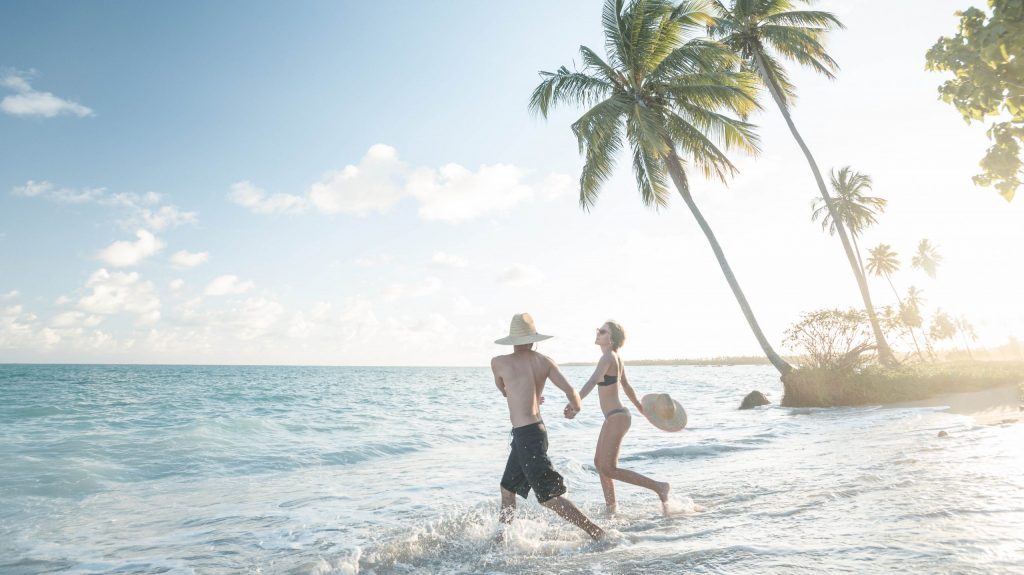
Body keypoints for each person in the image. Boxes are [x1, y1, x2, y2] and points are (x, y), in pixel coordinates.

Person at [491, 313, 605, 540]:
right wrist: (573, 410)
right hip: (535, 432)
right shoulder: (545, 361)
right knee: (507, 488)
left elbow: (505, 391)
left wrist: (520, 394)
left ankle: (597, 532)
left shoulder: (498, 362)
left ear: (512, 339)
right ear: (533, 339)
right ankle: (501, 540)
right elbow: (572, 393)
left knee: (549, 497)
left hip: (526, 437)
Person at [570, 320, 671, 515]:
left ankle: (659, 487)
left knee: (609, 468)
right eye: (598, 330)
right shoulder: (616, 358)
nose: (598, 333)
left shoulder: (608, 357)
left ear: (612, 338)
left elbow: (592, 381)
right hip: (616, 417)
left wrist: (575, 404)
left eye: (602, 331)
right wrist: (641, 408)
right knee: (600, 464)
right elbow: (627, 387)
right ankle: (612, 508)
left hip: (617, 417)